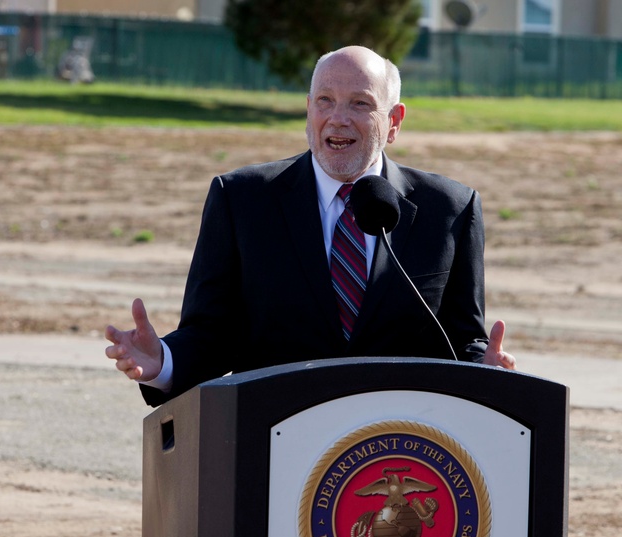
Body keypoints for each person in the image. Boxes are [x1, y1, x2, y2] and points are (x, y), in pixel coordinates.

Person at [105, 45, 515, 407]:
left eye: (360, 103)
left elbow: (462, 342)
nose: (338, 119)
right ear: (308, 109)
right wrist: (163, 361)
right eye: (325, 100)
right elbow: (213, 335)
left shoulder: (450, 209)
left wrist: (487, 368)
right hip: (274, 439)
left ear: (394, 121)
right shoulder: (242, 200)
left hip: (401, 446)